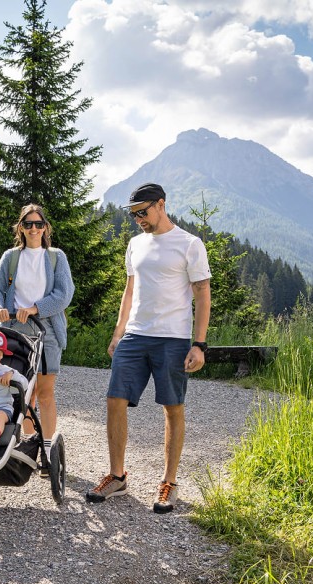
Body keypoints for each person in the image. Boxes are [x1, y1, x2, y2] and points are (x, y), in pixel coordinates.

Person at [85, 183, 211, 513]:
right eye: (133, 214)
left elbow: (202, 294)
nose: (138, 219)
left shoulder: (189, 244)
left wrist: (199, 344)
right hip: (135, 335)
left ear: (161, 205)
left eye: (143, 212)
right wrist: (118, 333)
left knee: (172, 406)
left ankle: (169, 483)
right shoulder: (135, 244)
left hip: (173, 338)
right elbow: (129, 291)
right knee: (115, 399)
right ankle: (117, 476)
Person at [0, 203, 75, 456]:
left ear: (45, 228)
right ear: (21, 228)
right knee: (20, 391)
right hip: (14, 328)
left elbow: (64, 294)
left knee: (44, 393)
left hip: (46, 328)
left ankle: (47, 448)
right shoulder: (11, 257)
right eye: (28, 224)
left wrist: (36, 308)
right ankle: (26, 445)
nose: (34, 229)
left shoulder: (56, 257)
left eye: (38, 224)